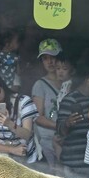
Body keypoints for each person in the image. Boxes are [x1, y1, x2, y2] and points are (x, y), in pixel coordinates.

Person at [0, 71, 39, 163]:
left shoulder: (23, 101)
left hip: (29, 158)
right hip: (4, 161)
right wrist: (12, 150)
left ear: (2, 86)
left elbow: (27, 135)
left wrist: (9, 124)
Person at [56, 63, 89, 178]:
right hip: (73, 163)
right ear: (88, 79)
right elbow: (59, 130)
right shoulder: (70, 99)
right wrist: (67, 123)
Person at [31, 38, 63, 169]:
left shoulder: (69, 82)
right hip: (48, 139)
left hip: (68, 138)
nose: (49, 61)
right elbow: (38, 117)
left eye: (53, 57)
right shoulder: (40, 85)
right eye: (45, 58)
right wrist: (60, 127)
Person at [53, 52, 76, 163]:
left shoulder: (70, 86)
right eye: (58, 68)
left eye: (64, 69)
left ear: (72, 70)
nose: (60, 71)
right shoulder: (64, 85)